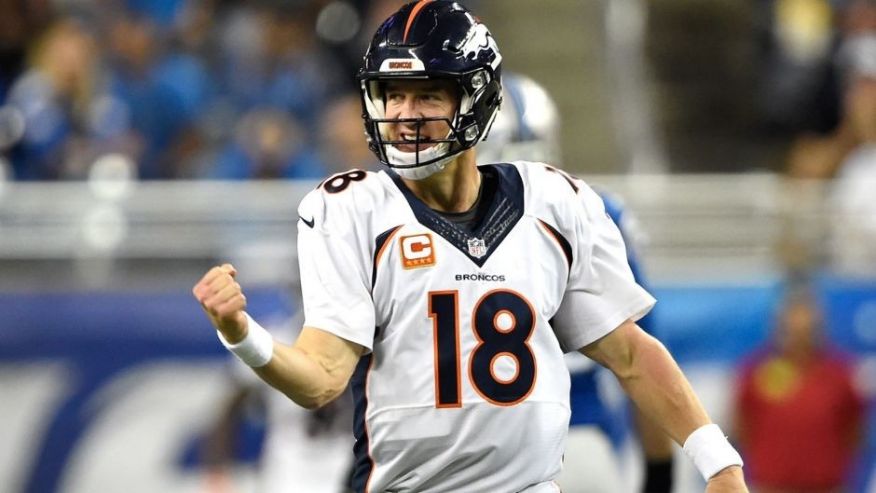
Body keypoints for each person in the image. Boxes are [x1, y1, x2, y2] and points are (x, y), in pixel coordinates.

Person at [193, 2, 748, 492]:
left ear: (476, 99)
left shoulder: (555, 202)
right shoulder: (350, 210)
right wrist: (244, 338)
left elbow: (630, 353)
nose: (406, 116)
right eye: (393, 95)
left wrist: (717, 460)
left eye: (427, 95)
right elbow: (322, 378)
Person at [479, 71, 675, 493]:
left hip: (487, 455)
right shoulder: (596, 211)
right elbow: (643, 359)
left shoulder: (437, 225)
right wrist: (660, 474)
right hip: (586, 448)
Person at [733, 285, 865, 493]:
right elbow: (742, 428)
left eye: (806, 328)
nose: (799, 334)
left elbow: (854, 431)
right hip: (770, 487)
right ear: (779, 327)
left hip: (826, 487)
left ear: (819, 328)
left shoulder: (840, 373)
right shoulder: (756, 371)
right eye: (792, 327)